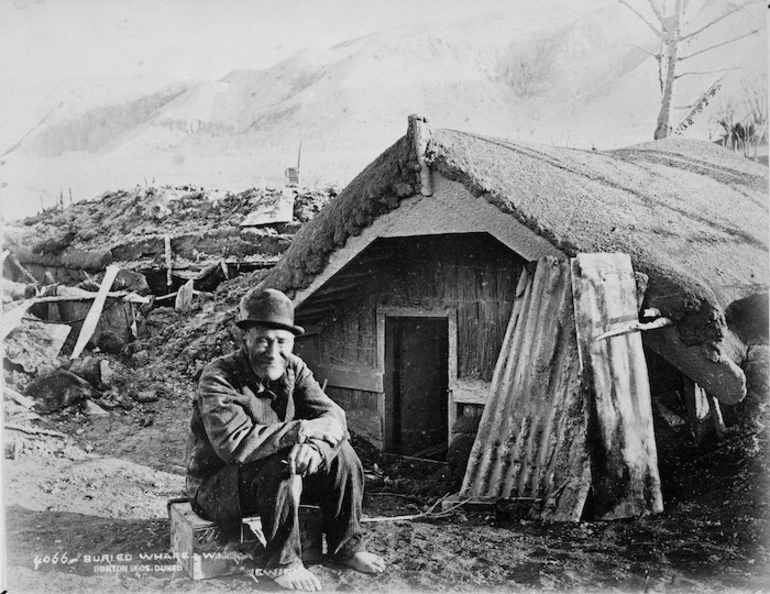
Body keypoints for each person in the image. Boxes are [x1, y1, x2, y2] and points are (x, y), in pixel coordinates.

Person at [185, 288, 386, 591]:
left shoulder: (294, 368)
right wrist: (301, 431)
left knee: (343, 455)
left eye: (282, 341)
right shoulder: (219, 376)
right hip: (219, 484)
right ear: (246, 338)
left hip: (274, 481)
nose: (273, 350)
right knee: (282, 463)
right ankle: (283, 562)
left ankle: (347, 547)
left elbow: (334, 419)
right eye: (264, 340)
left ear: (292, 342)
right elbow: (234, 444)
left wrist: (315, 449)